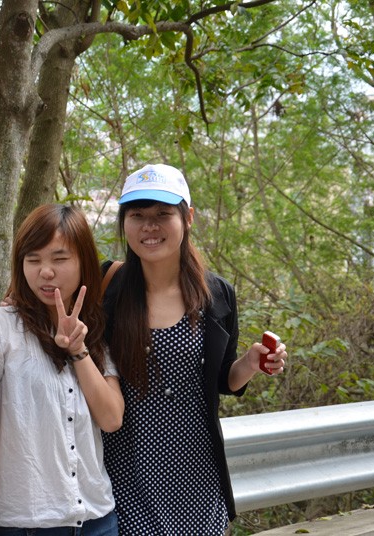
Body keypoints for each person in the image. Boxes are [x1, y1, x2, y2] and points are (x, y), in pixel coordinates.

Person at [100, 164, 289, 535]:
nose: (149, 226)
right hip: (123, 473)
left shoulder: (216, 294)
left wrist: (250, 363)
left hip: (196, 474)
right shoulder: (107, 286)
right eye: (137, 216)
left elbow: (223, 381)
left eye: (162, 214)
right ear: (124, 222)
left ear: (187, 217)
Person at [0, 204, 125, 536]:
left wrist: (78, 350)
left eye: (59, 259)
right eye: (33, 260)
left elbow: (112, 418)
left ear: (84, 262)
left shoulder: (94, 330)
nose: (45, 272)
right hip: (26, 525)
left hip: (98, 520)